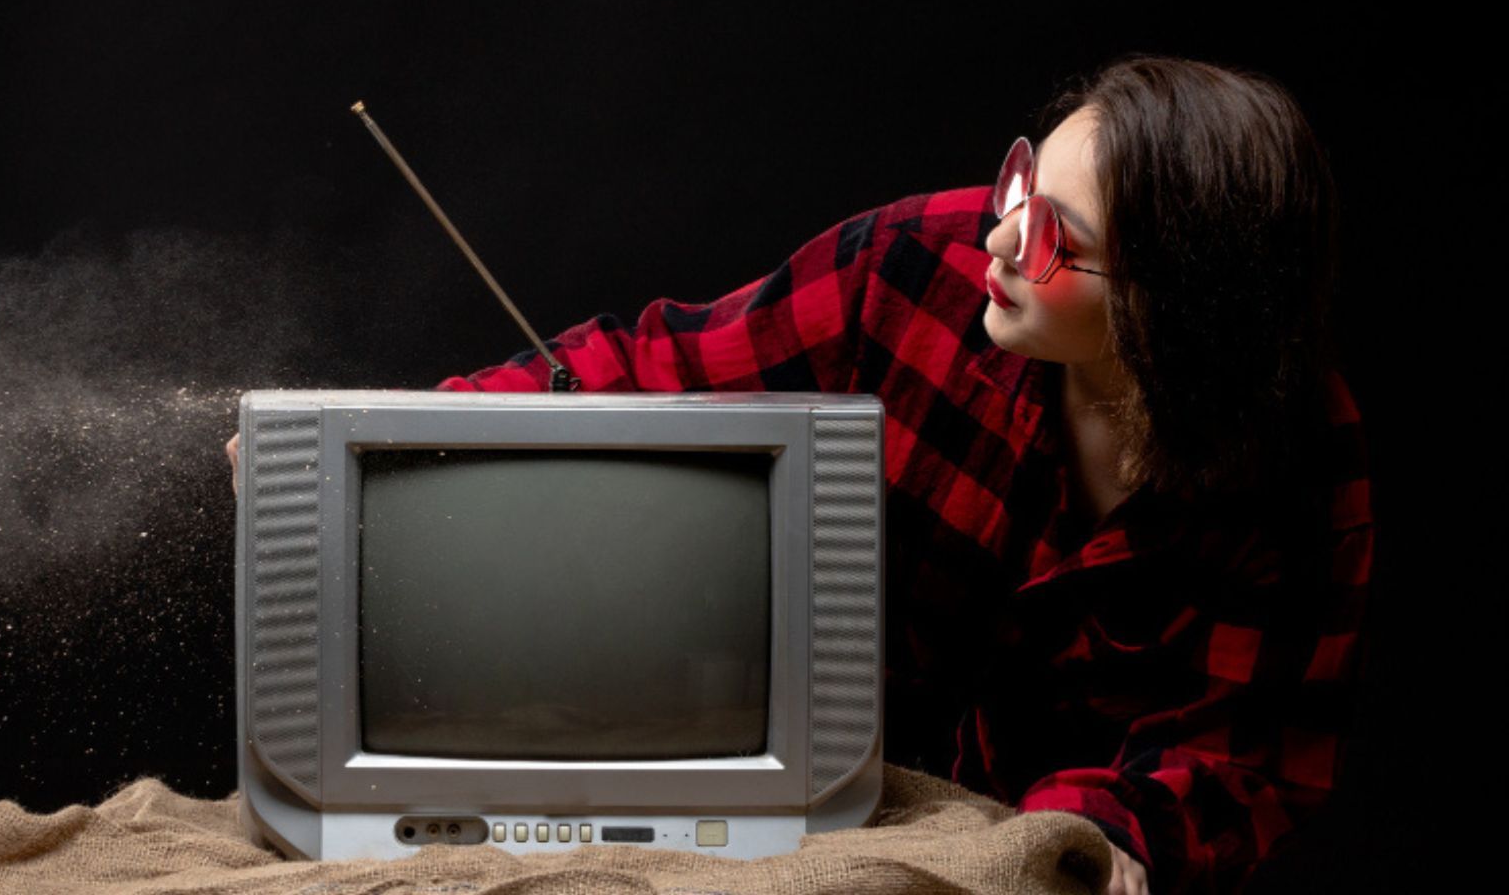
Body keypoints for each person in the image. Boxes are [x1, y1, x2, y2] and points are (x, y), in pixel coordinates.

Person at [228, 54, 1376, 895]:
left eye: (1054, 238)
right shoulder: (910, 266)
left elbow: (1241, 759)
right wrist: (378, 442)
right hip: (836, 823)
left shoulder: (1303, 468)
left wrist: (1079, 839)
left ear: (1176, 308)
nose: (998, 238)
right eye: (1018, 182)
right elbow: (654, 365)